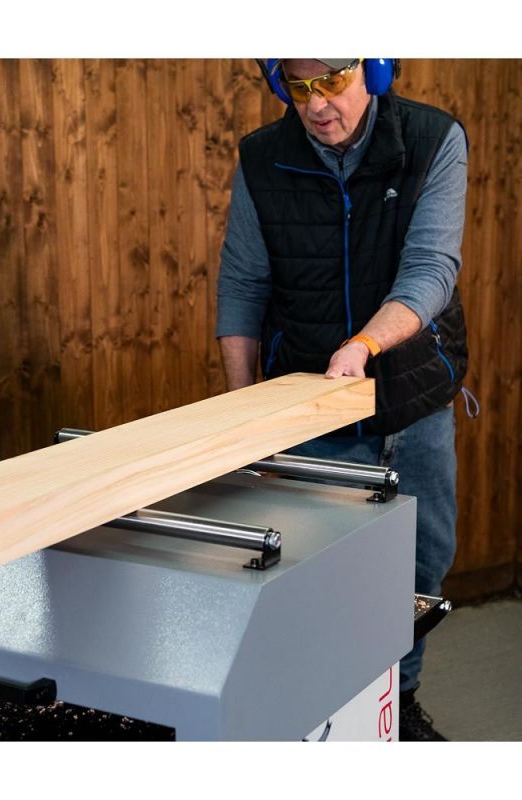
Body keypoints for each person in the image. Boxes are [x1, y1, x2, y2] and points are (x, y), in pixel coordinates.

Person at [216, 58, 470, 740]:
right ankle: (332, 718)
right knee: (318, 577)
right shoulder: (262, 158)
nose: (316, 104)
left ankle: (398, 704)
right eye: (298, 87)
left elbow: (430, 270)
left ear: (375, 69)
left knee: (420, 568)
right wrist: (241, 408)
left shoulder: (433, 140)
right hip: (312, 405)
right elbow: (242, 283)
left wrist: (363, 346)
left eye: (331, 82)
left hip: (411, 396)